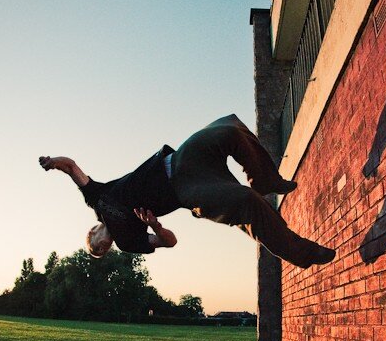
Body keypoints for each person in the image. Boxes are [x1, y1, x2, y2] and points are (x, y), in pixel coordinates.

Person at [39, 114, 336, 268]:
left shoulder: (97, 199)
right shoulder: (129, 242)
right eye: (102, 253)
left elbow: (72, 167)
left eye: (96, 248)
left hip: (179, 159)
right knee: (246, 203)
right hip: (187, 190)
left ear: (92, 232)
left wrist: (52, 162)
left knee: (228, 129)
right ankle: (301, 253)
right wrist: (155, 225)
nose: (102, 250)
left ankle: (265, 178)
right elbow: (169, 242)